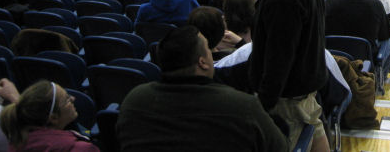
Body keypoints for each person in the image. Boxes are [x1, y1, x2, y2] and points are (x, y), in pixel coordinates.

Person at [116, 25, 287, 151]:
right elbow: (280, 147)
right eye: (207, 49)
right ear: (203, 62)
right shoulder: (243, 106)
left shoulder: (133, 101)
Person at [240, 0, 328, 152]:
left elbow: (279, 55)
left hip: (286, 98)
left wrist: (265, 103)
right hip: (305, 84)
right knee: (313, 125)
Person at [0, 80, 97, 151]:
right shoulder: (81, 149)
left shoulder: (16, 144)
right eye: (67, 99)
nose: (73, 98)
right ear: (53, 118)